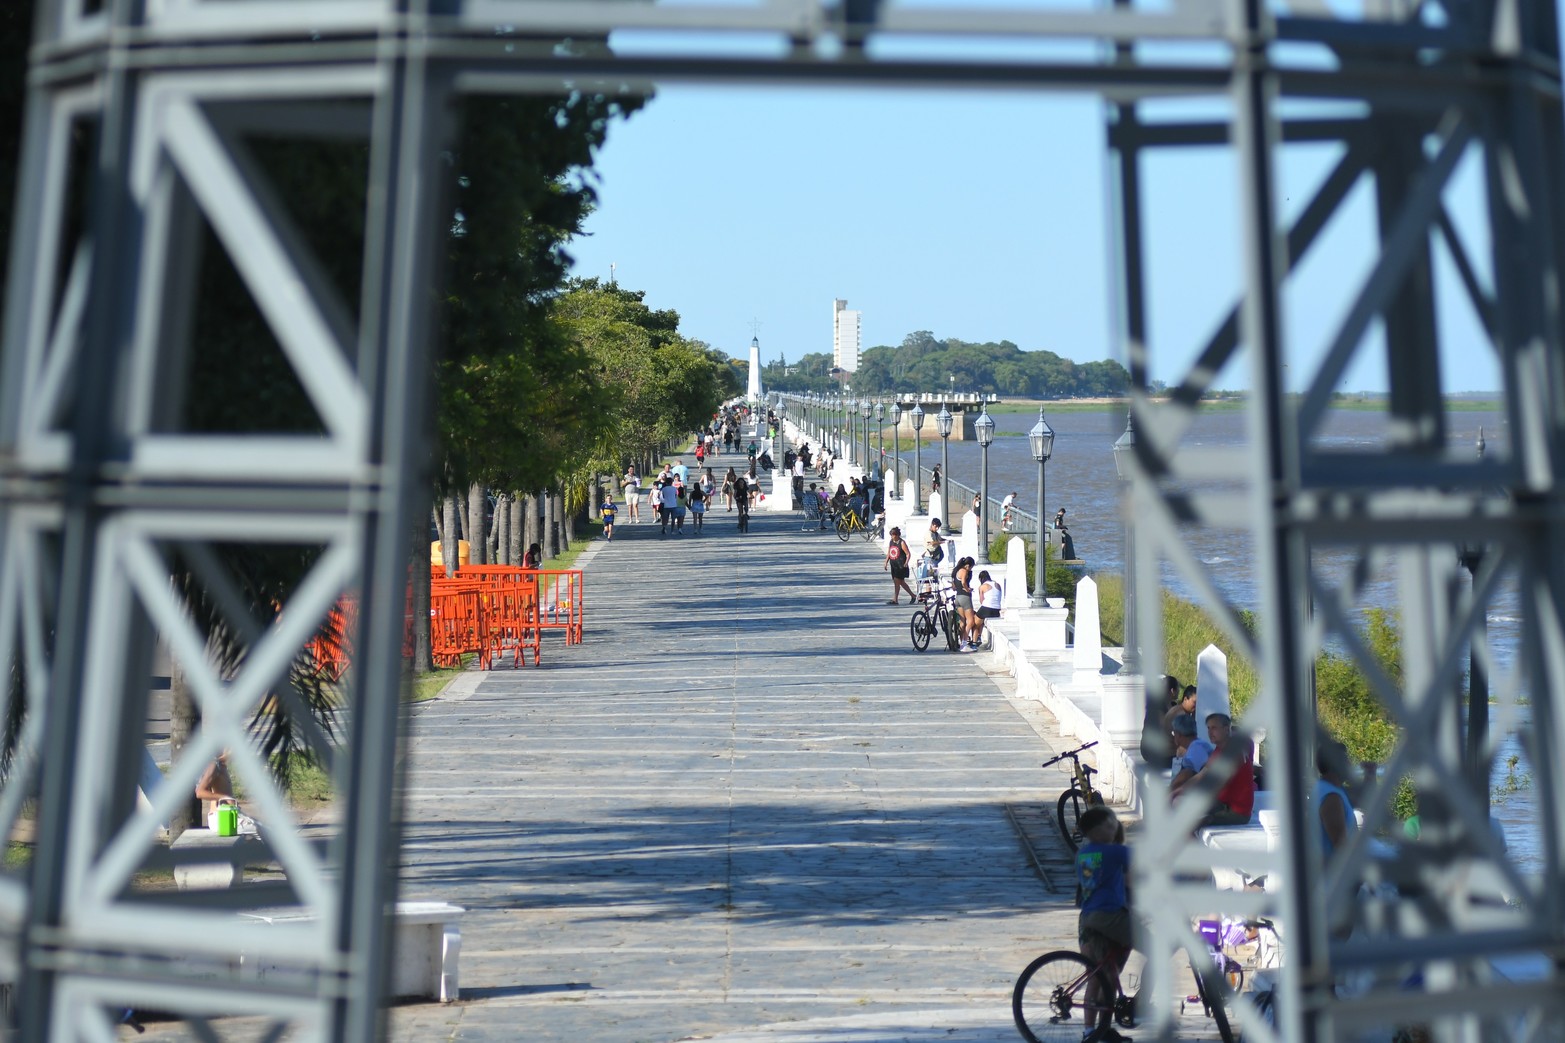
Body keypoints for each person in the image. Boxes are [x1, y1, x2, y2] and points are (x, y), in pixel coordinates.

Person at [1075, 805, 1141, 1043]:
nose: (1114, 826)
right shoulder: (1114, 853)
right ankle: (1141, 1006)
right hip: (1110, 916)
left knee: (1101, 976)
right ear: (1096, 830)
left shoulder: (1084, 853)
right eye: (1109, 823)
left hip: (1089, 919)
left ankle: (1092, 1030)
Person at [1174, 713, 1256, 827]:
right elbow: (1202, 774)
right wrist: (1179, 790)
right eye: (1208, 728)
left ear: (1226, 729)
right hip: (1222, 805)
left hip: (1235, 813)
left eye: (1214, 728)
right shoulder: (1219, 749)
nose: (1210, 732)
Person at [195, 750, 259, 835]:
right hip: (221, 817)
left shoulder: (220, 765)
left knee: (261, 832)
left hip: (229, 814)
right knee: (266, 833)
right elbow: (199, 792)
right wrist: (225, 797)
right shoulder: (215, 765)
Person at [951, 556, 978, 651]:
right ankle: (964, 643)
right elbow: (963, 582)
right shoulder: (964, 571)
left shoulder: (956, 571)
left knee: (962, 622)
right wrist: (968, 589)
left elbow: (953, 586)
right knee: (971, 621)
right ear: (968, 565)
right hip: (965, 597)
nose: (970, 569)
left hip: (957, 597)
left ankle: (959, 641)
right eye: (971, 567)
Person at [884, 527, 915, 604]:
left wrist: (906, 562)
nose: (892, 536)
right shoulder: (891, 542)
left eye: (894, 535)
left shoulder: (902, 543)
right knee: (900, 582)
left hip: (901, 566)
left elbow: (908, 554)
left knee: (897, 581)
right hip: (894, 565)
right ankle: (913, 595)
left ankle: (895, 599)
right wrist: (886, 562)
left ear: (898, 535)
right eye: (891, 535)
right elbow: (889, 552)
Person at [973, 569, 1003, 649]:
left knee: (975, 623)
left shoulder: (982, 586)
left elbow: (981, 601)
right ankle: (979, 636)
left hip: (986, 608)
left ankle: (974, 643)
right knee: (981, 620)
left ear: (981, 579)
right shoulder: (997, 584)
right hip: (997, 609)